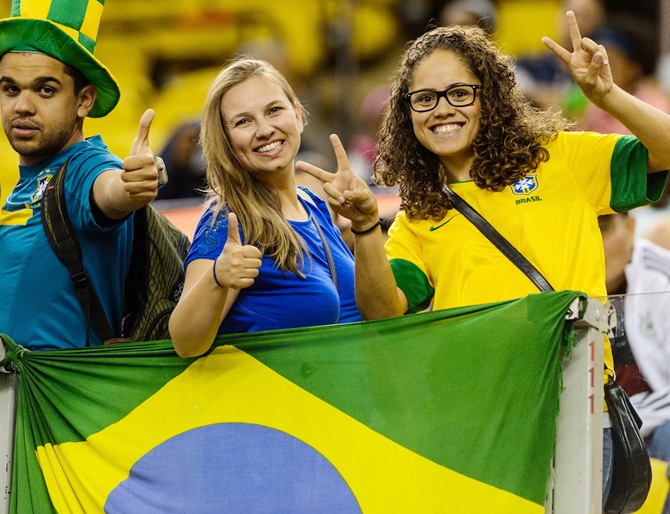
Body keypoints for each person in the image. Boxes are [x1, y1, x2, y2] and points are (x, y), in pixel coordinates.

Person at [296, 11, 670, 505]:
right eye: (424, 99)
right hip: (478, 423)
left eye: (459, 92)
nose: (442, 109)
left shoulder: (559, 158)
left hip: (576, 406)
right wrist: (366, 226)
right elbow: (384, 310)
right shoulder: (417, 216)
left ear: (488, 97)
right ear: (407, 114)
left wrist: (608, 96)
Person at [169, 58, 362, 358]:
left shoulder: (314, 205)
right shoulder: (227, 220)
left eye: (274, 110)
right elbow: (185, 342)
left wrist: (369, 226)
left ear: (297, 114)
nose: (265, 129)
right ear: (226, 140)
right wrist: (217, 277)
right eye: (243, 121)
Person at [0, 0, 161, 351]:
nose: (22, 105)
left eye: (45, 90)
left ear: (84, 100)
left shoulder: (83, 168)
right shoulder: (31, 180)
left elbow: (108, 190)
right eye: (11, 88)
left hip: (62, 402)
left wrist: (130, 186)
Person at [599, 212, 670, 513]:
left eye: (603, 229)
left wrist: (627, 419)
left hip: (652, 421)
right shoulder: (556, 278)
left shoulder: (661, 278)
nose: (596, 243)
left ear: (630, 227)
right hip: (594, 420)